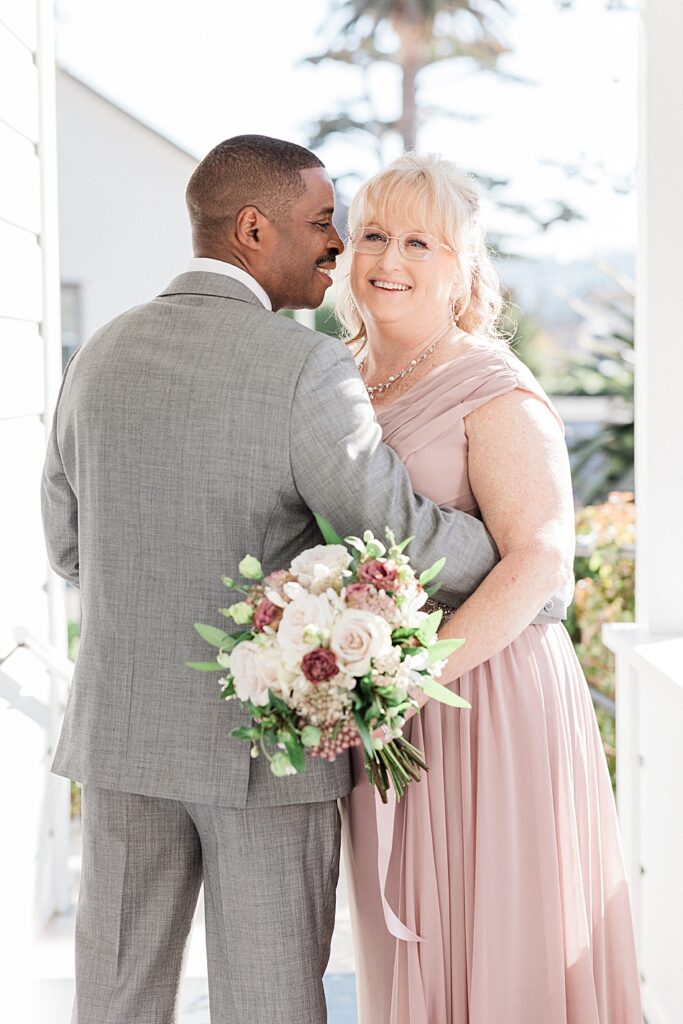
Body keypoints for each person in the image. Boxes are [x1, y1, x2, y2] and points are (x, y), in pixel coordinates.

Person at [41, 136, 565, 1024]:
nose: (336, 245)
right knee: (268, 1005)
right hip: (267, 746)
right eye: (327, 224)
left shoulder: (99, 351)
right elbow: (395, 532)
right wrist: (524, 563)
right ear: (253, 228)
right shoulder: (304, 365)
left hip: (122, 739)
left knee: (116, 1002)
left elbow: (66, 544)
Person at [338, 152, 643, 1024]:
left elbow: (543, 557)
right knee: (409, 949)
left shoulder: (493, 387)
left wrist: (414, 674)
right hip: (384, 698)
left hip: (485, 696)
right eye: (372, 235)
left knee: (500, 945)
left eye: (419, 242)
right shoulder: (339, 381)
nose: (389, 260)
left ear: (462, 267)